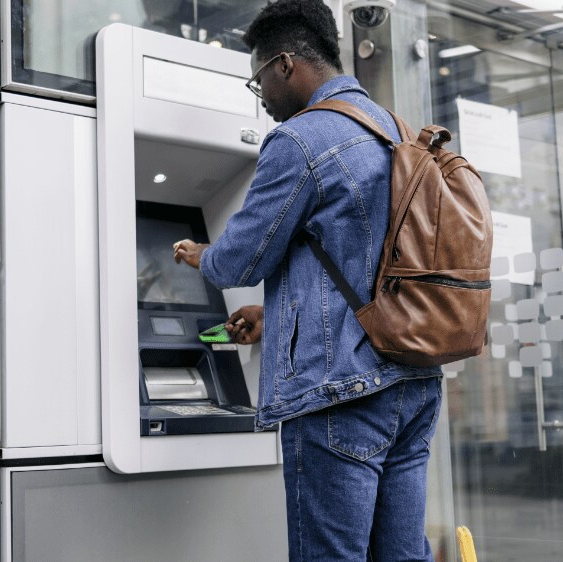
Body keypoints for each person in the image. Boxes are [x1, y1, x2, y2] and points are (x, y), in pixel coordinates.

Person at [171, 1, 443, 560]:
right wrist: (278, 317)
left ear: (285, 64)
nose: (262, 97)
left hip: (340, 396)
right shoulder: (397, 132)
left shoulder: (300, 140)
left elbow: (237, 264)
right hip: (413, 383)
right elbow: (371, 268)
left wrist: (200, 253)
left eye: (258, 79)